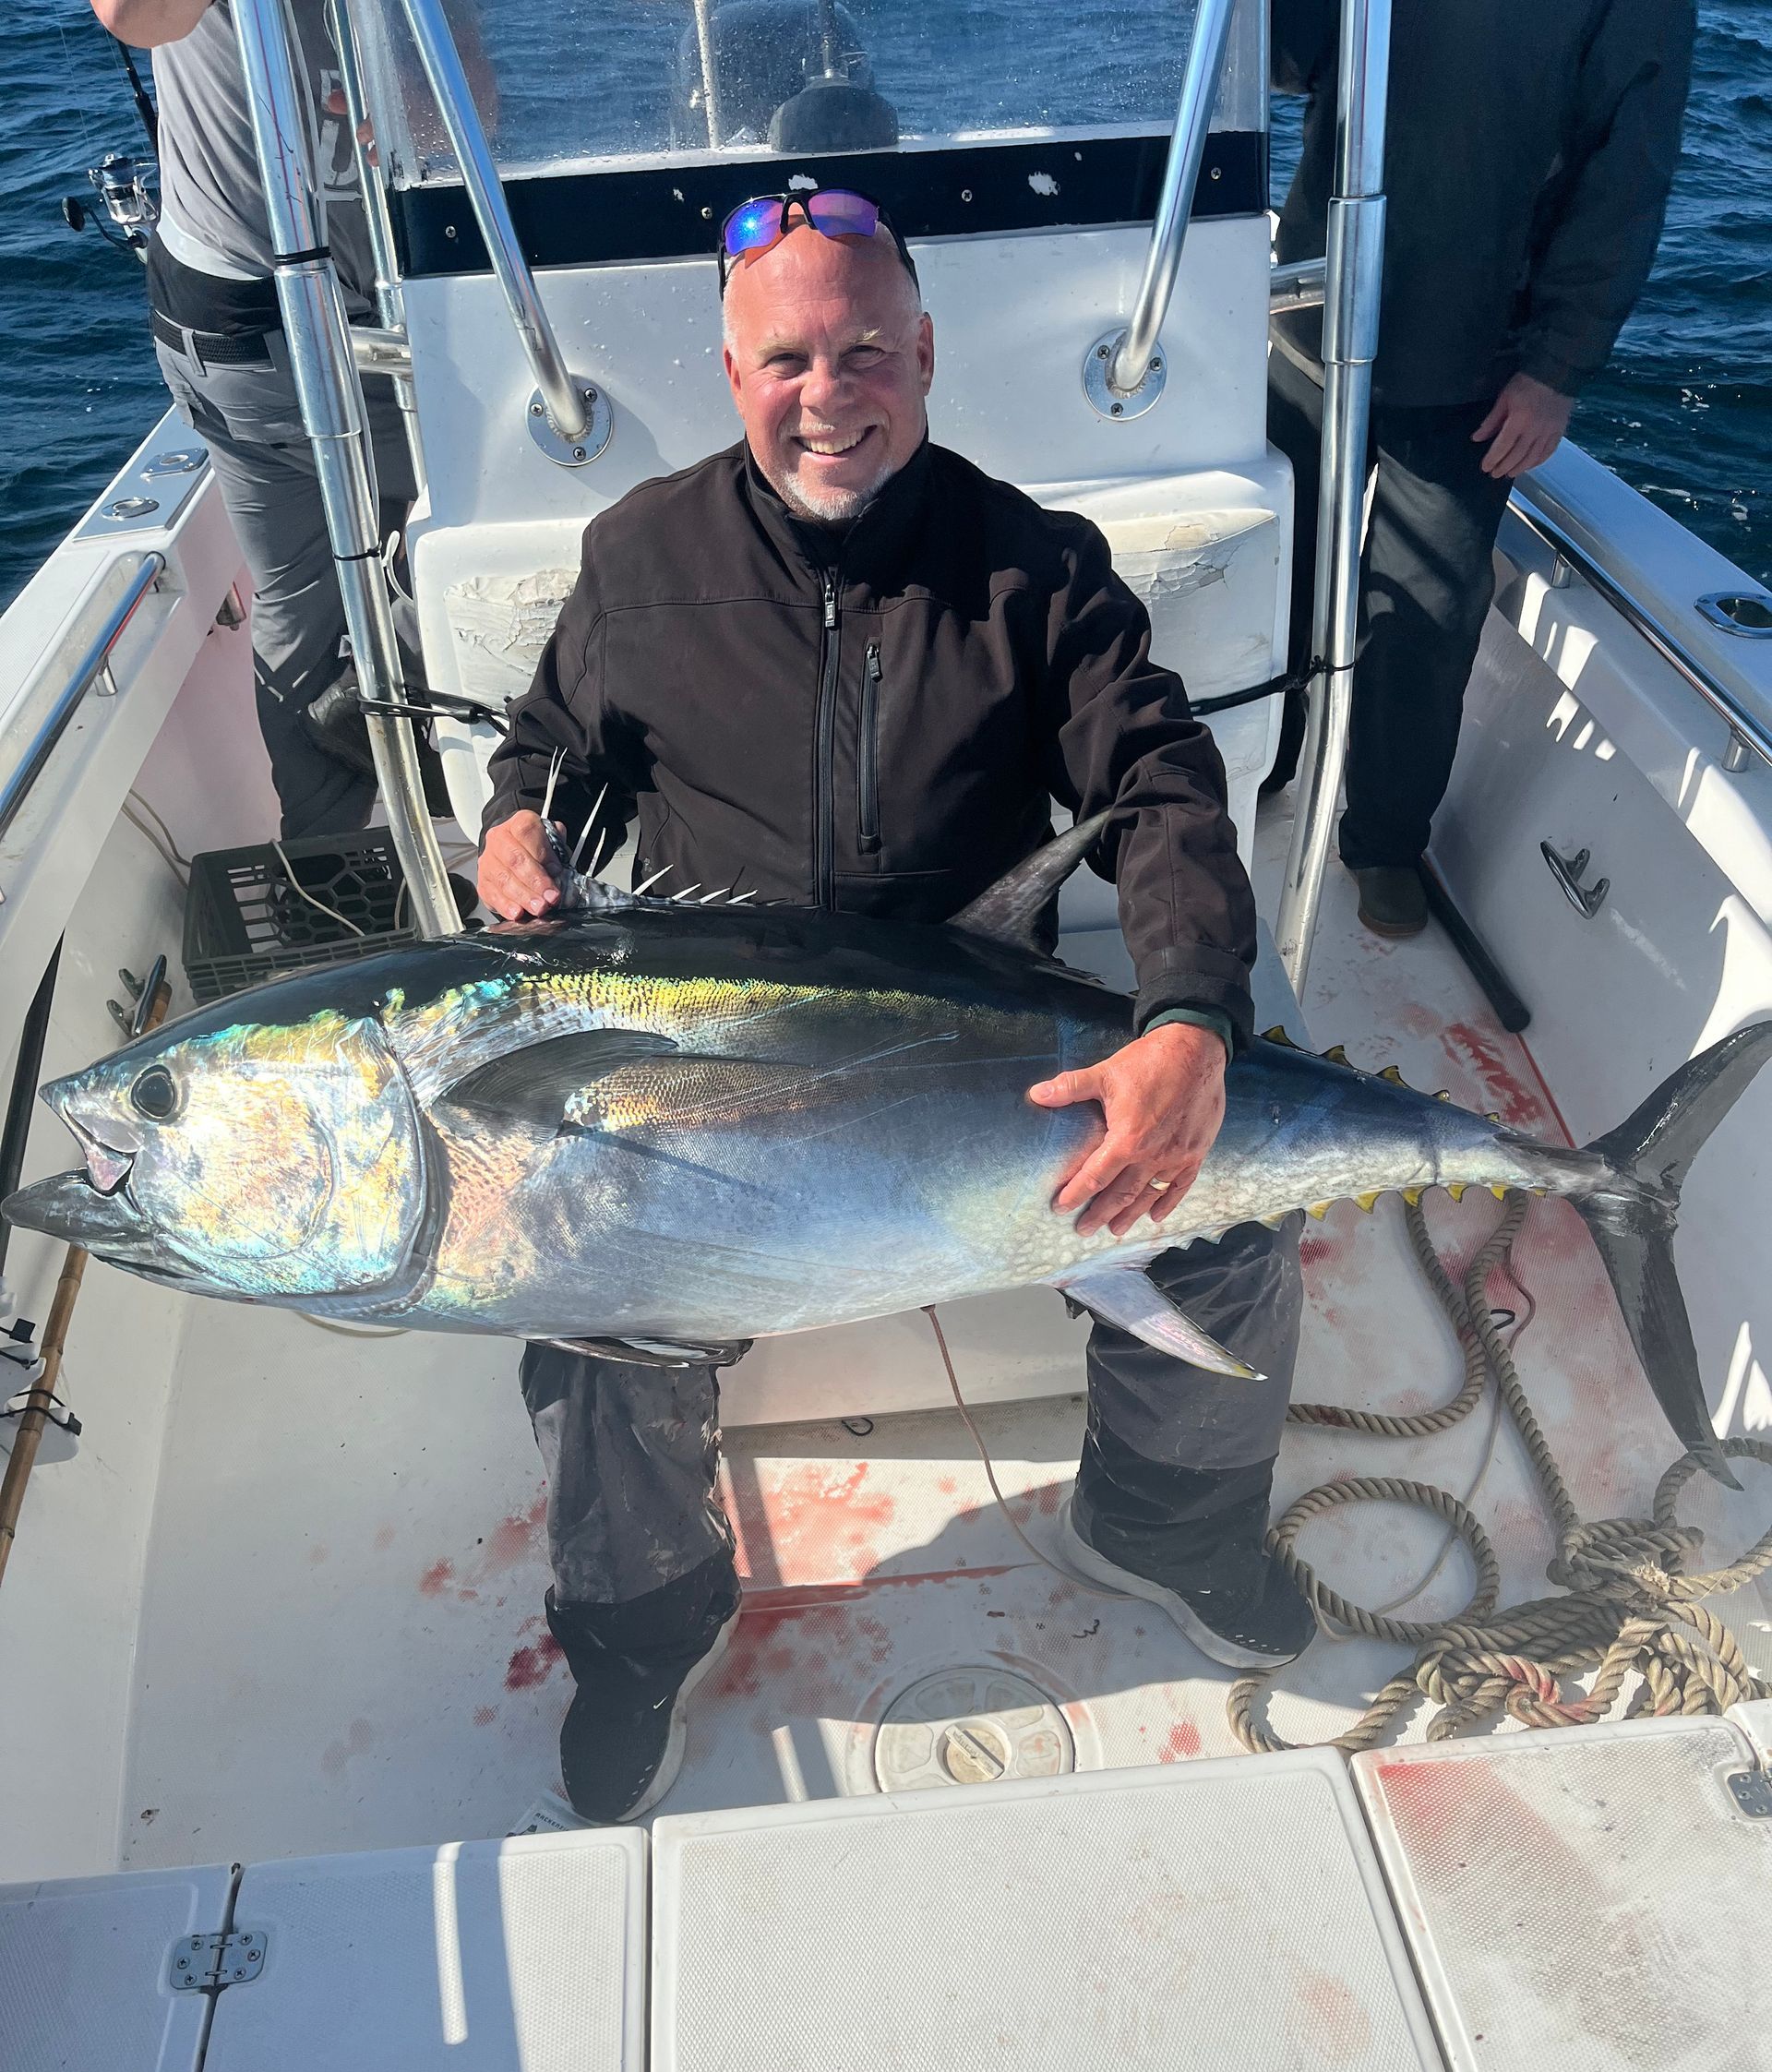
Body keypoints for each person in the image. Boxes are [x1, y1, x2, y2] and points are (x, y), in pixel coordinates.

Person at [478, 192, 1311, 1825]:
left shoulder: (1035, 566)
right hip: (726, 1054)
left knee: (1227, 1228)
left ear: (924, 356)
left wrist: (1192, 1018)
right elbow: (551, 748)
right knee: (573, 1299)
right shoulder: (639, 556)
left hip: (977, 1022)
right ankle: (644, 1623)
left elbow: (1156, 788)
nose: (829, 391)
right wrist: (514, 821)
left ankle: (1164, 1523)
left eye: (867, 349)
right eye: (788, 356)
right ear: (732, 372)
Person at [1266, 0, 1695, 939]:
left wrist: (1556, 368)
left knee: (1426, 618)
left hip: (1469, 357)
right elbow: (1285, 63)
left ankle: (1382, 838)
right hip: (1308, 312)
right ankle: (1264, 759)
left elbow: (1628, 176)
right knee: (1274, 567)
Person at [89, 0, 423, 843]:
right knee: (423, 549)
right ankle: (342, 857)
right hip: (247, 318)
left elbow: (468, 105)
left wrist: (393, 101)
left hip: (337, 306)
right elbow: (131, 14)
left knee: (321, 596)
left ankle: (335, 853)